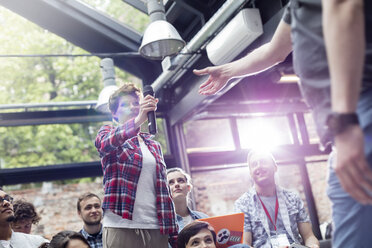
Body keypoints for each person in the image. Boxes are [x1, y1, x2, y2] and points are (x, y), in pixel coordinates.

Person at [194, 1, 372, 247]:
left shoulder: (290, 197)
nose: (259, 166)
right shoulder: (297, 7)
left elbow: (344, 7)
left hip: (360, 112)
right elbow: (274, 51)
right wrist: (228, 71)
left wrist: (344, 121)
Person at [95, 83, 178, 248]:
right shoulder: (107, 133)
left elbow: (164, 192)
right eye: (125, 105)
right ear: (114, 114)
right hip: (122, 225)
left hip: (156, 226)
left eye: (135, 103)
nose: (133, 107)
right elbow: (105, 144)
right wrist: (139, 120)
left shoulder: (153, 145)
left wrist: (173, 232)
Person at [234, 150, 319, 248]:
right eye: (254, 164)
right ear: (250, 173)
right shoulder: (242, 204)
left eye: (263, 162)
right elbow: (245, 245)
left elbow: (308, 236)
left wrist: (313, 245)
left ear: (275, 167)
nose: (259, 166)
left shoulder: (293, 198)